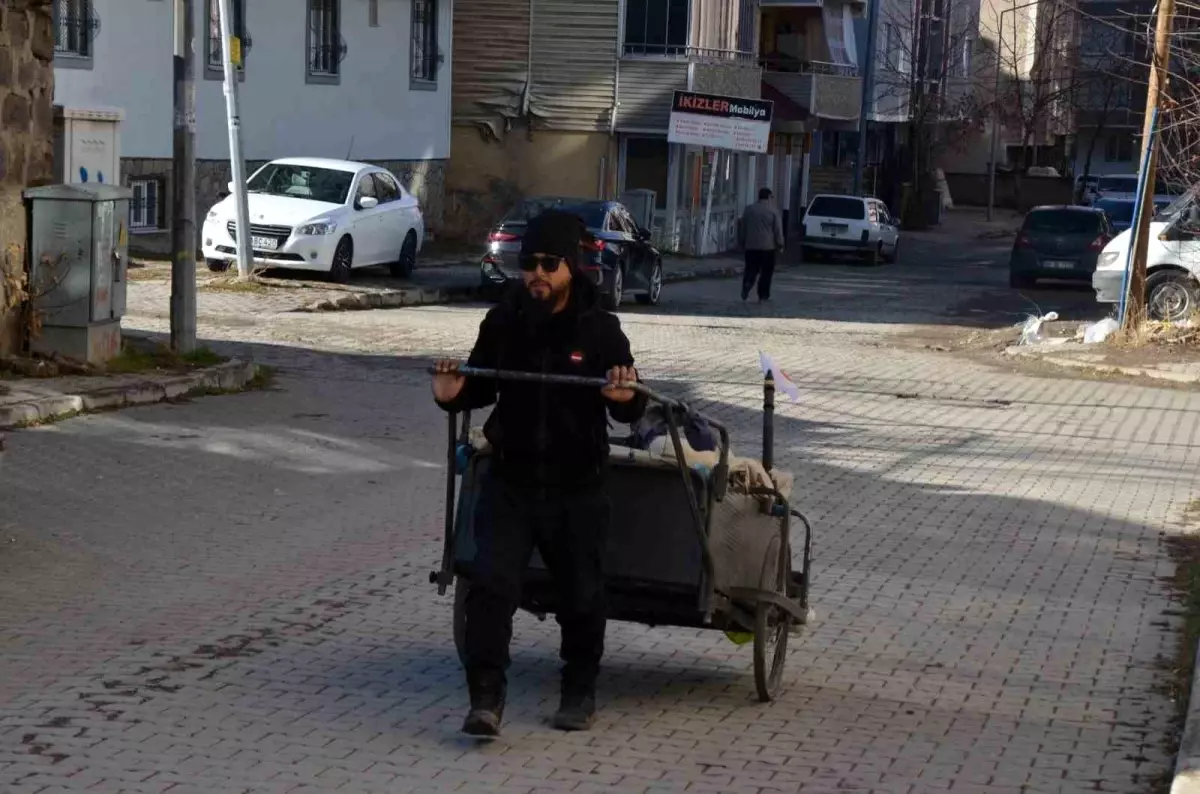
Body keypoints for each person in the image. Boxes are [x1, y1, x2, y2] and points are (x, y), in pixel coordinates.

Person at [431, 209, 647, 737]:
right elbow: (480, 386)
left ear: (571, 267)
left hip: (578, 485)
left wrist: (625, 396)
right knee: (489, 584)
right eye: (529, 264)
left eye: (549, 264)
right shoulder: (504, 319)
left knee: (582, 594)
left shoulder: (600, 330)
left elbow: (629, 407)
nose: (537, 275)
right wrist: (452, 395)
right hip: (511, 479)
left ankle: (578, 692)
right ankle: (485, 699)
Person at [739, 187, 785, 302]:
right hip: (768, 248)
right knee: (766, 272)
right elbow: (777, 230)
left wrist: (742, 242)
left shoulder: (749, 209)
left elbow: (742, 227)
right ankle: (763, 294)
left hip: (751, 246)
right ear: (769, 197)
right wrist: (780, 244)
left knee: (751, 268)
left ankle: (748, 283)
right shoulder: (773, 211)